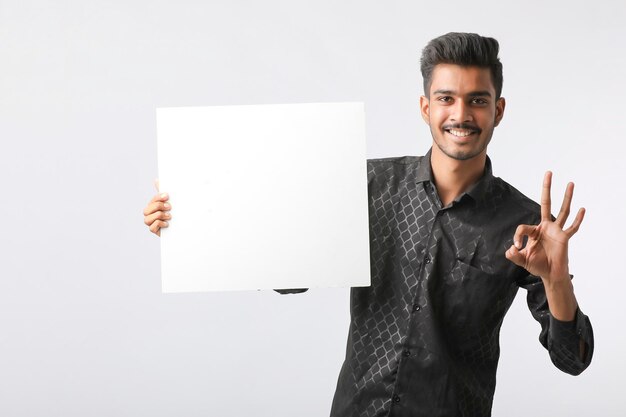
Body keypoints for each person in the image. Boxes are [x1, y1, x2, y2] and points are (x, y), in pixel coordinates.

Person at [143, 32, 594, 417]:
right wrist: (186, 219)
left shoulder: (527, 226)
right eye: (446, 98)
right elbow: (287, 267)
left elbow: (572, 359)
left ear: (498, 109)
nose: (461, 114)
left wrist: (556, 281)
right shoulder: (366, 184)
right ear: (425, 107)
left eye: (477, 100)